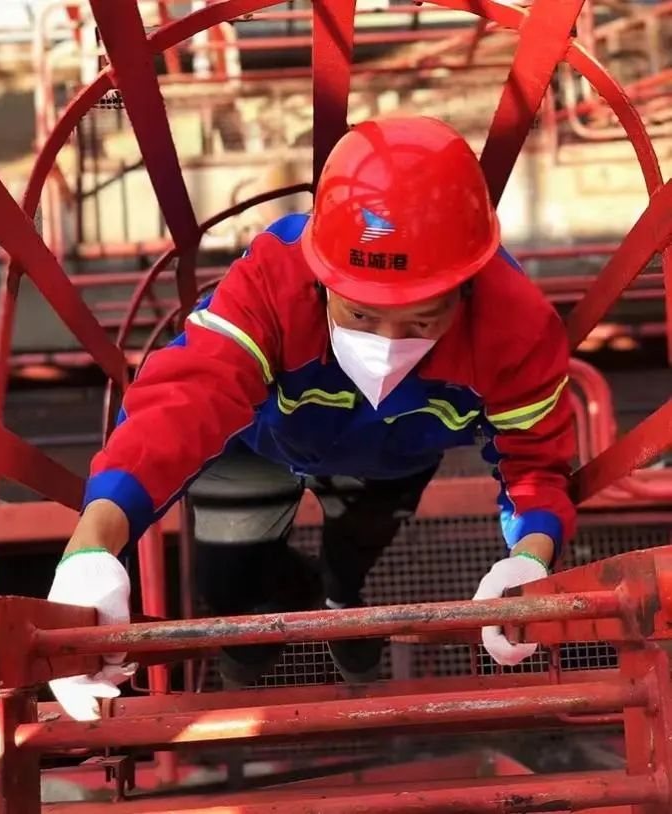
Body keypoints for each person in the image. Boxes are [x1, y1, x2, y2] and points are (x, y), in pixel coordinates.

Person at [47, 116, 576, 721]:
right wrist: (93, 546)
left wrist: (529, 557)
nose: (387, 344)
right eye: (360, 313)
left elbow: (536, 461)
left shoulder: (515, 327)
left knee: (354, 556)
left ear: (467, 288)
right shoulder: (276, 278)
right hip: (257, 445)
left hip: (389, 465)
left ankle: (338, 603)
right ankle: (278, 611)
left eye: (421, 320)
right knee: (224, 582)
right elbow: (185, 399)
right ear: (321, 278)